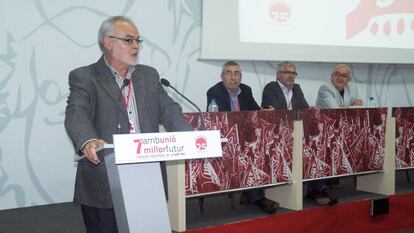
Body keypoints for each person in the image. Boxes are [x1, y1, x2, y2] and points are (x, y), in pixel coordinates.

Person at [64, 16, 193, 233]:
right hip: (104, 178)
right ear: (108, 42)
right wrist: (88, 139)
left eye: (138, 41)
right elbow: (76, 113)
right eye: (129, 40)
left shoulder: (148, 75)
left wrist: (188, 135)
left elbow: (169, 109)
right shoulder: (85, 76)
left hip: (148, 176)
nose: (136, 46)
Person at [206, 61, 278, 214]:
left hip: (245, 138)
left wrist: (265, 112)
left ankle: (250, 192)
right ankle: (257, 197)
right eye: (229, 73)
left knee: (263, 148)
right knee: (248, 154)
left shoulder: (246, 90)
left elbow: (255, 112)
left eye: (236, 73)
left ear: (241, 76)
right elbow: (218, 120)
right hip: (226, 140)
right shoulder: (214, 92)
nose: (233, 77)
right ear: (222, 76)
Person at [306, 64, 363, 206]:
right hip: (323, 132)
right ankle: (320, 187)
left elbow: (359, 107)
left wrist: (349, 108)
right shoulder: (325, 88)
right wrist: (351, 107)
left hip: (342, 131)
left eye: (344, 75)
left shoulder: (353, 88)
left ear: (348, 79)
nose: (340, 78)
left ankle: (326, 183)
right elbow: (336, 112)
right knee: (322, 149)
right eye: (337, 74)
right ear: (331, 76)